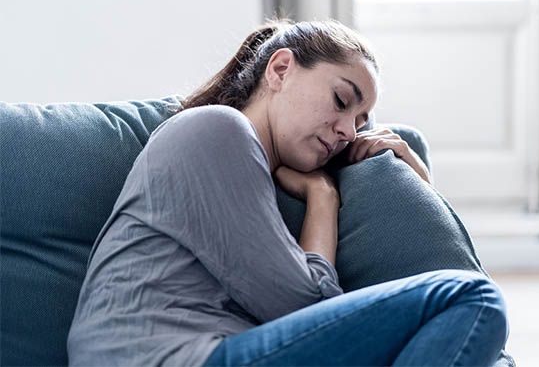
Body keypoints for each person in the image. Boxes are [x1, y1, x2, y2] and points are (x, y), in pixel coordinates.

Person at [67, 19, 509, 366]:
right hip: (166, 356)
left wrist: (417, 179)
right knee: (472, 297)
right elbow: (304, 306)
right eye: (341, 100)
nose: (347, 131)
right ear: (280, 69)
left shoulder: (252, 167)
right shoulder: (216, 130)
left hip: (219, 349)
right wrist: (323, 199)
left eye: (360, 121)